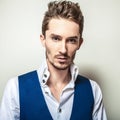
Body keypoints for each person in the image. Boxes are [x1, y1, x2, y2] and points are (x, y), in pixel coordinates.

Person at [0, 0, 107, 120]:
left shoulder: (93, 90)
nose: (63, 50)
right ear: (43, 40)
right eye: (56, 38)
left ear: (79, 43)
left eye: (71, 40)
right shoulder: (15, 88)